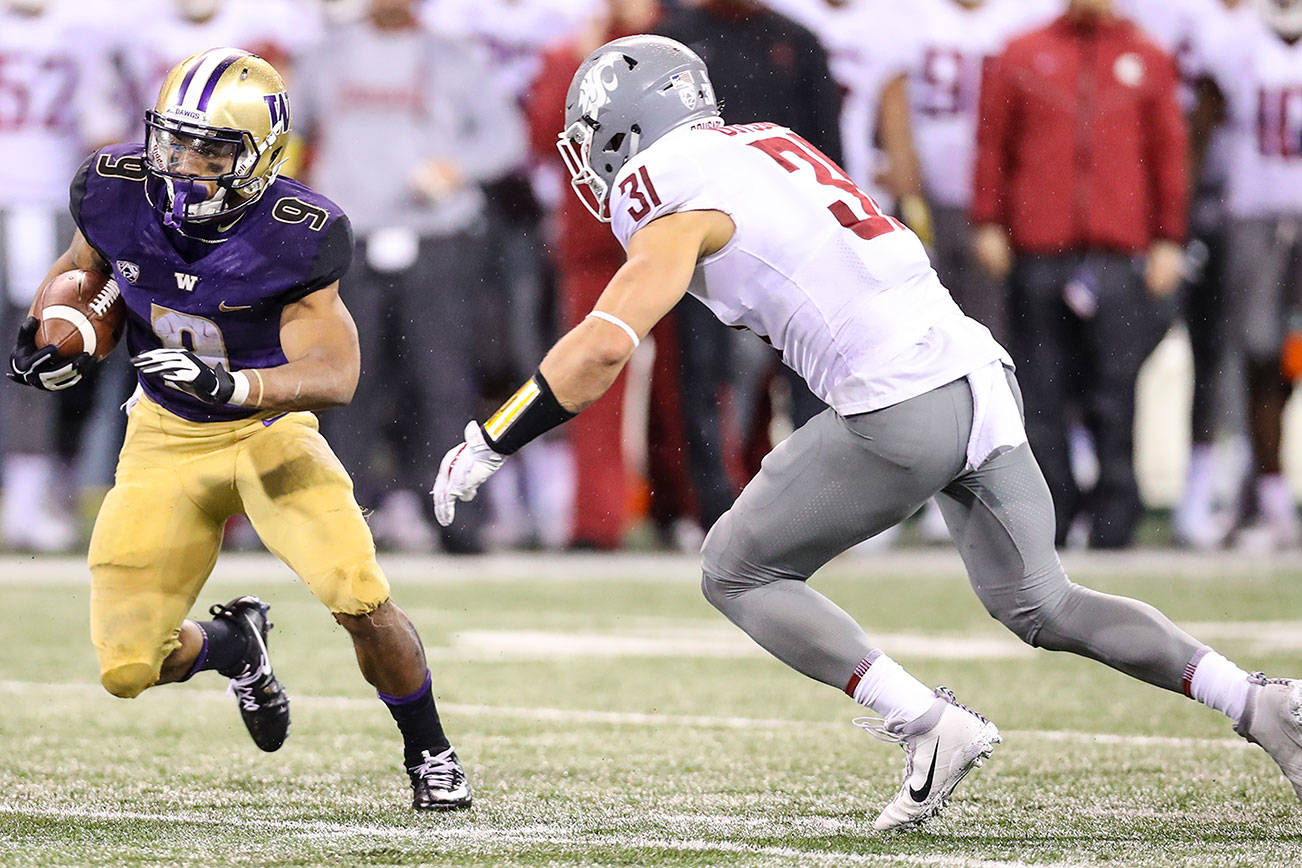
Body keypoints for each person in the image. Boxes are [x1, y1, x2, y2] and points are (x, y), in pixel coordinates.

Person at [431, 34, 1302, 830]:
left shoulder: (668, 185)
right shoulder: (760, 141)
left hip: (898, 399)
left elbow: (603, 350)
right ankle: (1257, 702)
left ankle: (926, 723)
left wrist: (490, 439)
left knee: (734, 567)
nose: (592, 161)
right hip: (978, 374)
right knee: (1043, 602)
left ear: (629, 127)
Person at [6, 48, 470, 811]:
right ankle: (233, 647)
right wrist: (47, 332)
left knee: (358, 597)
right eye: (173, 142)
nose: (183, 165)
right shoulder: (114, 188)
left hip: (269, 433)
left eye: (210, 150)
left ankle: (431, 753)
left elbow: (336, 372)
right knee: (127, 666)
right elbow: (84, 268)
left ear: (259, 158)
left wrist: (239, 385)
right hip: (162, 435)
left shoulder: (299, 231)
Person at [296, 0, 527, 554]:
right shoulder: (325, 57)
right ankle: (338, 521)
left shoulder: (452, 58)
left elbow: (506, 137)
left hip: (436, 237)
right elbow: (281, 132)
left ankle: (454, 517)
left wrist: (457, 167)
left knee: (442, 381)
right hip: (350, 237)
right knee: (346, 383)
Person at [971, 0, 1189, 549]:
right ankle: (1051, 519)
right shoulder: (1024, 52)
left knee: (1114, 393)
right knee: (1039, 394)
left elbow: (1167, 151)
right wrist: (989, 220)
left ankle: (1116, 521)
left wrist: (1168, 237)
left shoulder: (1147, 55)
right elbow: (994, 143)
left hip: (1117, 254)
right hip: (1039, 250)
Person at [1195, 0, 1302, 550]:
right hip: (1252, 220)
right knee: (1257, 355)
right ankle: (1266, 494)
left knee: (1283, 356)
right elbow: (1201, 132)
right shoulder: (1234, 41)